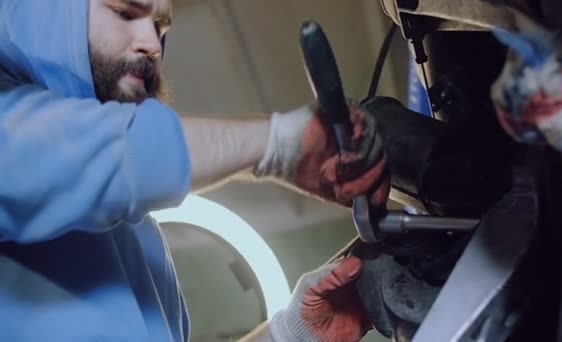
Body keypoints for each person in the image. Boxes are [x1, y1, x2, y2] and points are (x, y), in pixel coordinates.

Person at [0, 0, 390, 341]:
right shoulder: (33, 149)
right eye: (124, 12)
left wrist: (294, 333)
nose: (152, 45)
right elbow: (65, 155)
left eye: (159, 26)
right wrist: (277, 145)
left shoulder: (132, 233)